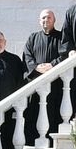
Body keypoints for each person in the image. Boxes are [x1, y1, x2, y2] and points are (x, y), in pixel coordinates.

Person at [22, 8, 65, 142]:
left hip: (55, 85)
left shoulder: (61, 37)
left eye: (49, 17)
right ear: (39, 21)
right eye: (43, 18)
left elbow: (65, 54)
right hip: (36, 85)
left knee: (54, 114)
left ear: (54, 20)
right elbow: (27, 56)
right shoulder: (33, 38)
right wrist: (36, 67)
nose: (46, 20)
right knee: (34, 115)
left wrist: (52, 65)